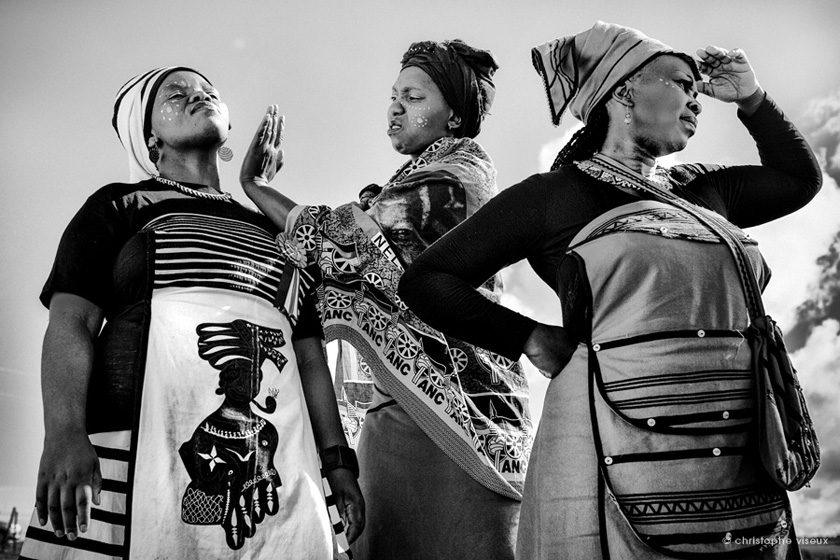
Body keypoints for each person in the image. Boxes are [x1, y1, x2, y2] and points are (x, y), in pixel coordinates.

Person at [399, 21, 821, 560]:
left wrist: (752, 98)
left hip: (740, 450)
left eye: (697, 89)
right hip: (611, 443)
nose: (696, 99)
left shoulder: (702, 188)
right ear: (622, 89)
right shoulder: (554, 197)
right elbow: (428, 280)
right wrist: (528, 336)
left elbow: (798, 180)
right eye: (680, 83)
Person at [20, 66, 363, 559]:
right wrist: (65, 432)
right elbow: (71, 323)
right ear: (150, 138)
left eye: (208, 91)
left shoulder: (275, 234)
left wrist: (337, 463)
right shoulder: (122, 205)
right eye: (175, 94)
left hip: (278, 462)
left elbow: (308, 357)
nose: (196, 95)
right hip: (135, 449)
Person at [241, 40, 532, 559]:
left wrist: (255, 185)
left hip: (460, 423)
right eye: (394, 95)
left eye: (414, 96)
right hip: (398, 412)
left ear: (456, 115)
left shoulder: (454, 179)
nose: (396, 107)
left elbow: (341, 238)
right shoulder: (415, 178)